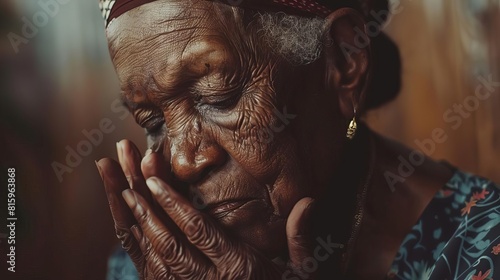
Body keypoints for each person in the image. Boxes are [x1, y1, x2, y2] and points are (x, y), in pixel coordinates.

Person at [95, 0, 500, 279]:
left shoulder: (481, 252)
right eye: (152, 121)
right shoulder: (161, 264)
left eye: (217, 96)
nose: (183, 162)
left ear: (343, 62)